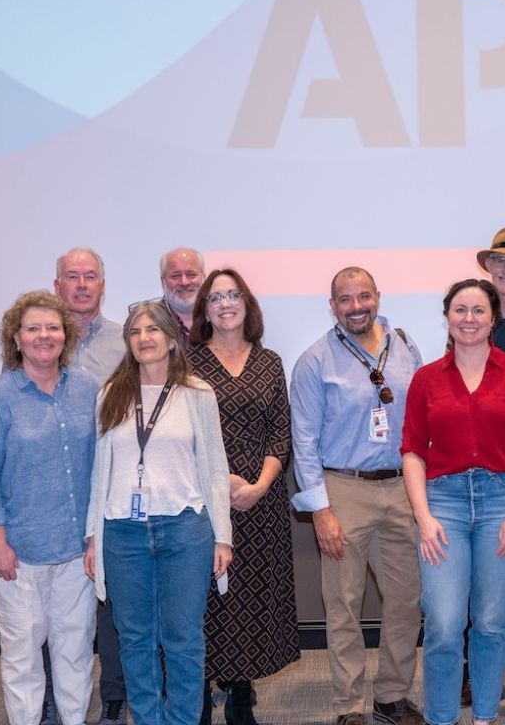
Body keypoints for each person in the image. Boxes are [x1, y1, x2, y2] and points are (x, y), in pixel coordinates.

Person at [401, 278, 505, 725]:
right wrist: (423, 519)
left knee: (490, 621)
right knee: (444, 623)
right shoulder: (427, 379)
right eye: (460, 310)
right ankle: (442, 718)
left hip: (503, 502)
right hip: (442, 504)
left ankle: (485, 716)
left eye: (478, 311)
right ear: (447, 317)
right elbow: (411, 451)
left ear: (493, 318)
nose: (469, 319)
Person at [84, 300, 232, 725]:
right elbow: (100, 473)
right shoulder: (111, 394)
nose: (144, 338)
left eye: (153, 330)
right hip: (123, 532)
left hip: (185, 529)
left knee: (183, 639)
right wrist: (94, 537)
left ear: (171, 339)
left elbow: (215, 467)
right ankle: (148, 719)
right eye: (135, 332)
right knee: (134, 639)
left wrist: (223, 535)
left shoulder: (198, 394)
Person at [291, 267, 425, 725]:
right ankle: (348, 706)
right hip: (343, 489)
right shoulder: (315, 360)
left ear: (378, 297)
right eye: (345, 299)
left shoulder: (405, 347)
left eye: (363, 296)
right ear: (332, 306)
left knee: (406, 601)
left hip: (403, 488)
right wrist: (321, 512)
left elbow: (422, 422)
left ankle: (391, 697)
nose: (355, 306)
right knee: (344, 605)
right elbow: (303, 441)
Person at [0, 290, 98, 725]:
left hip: (77, 552)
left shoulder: (87, 391)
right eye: (33, 328)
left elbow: (102, 466)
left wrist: (96, 538)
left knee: (75, 652)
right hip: (17, 554)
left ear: (66, 335)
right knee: (22, 657)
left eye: (53, 327)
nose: (45, 335)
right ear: (16, 338)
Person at [188, 268, 300, 725]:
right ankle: (196, 695)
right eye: (216, 297)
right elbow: (183, 434)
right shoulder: (187, 363)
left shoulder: (269, 361)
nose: (226, 303)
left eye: (234, 295)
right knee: (202, 598)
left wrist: (259, 485)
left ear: (247, 304)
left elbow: (281, 430)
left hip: (260, 502)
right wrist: (223, 481)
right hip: (203, 502)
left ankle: (239, 694)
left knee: (250, 597)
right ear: (205, 311)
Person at [53, 246, 127, 725]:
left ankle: (114, 695)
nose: (82, 285)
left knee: (112, 598)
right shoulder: (37, 340)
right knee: (54, 601)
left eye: (91, 276)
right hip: (53, 492)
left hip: (112, 487)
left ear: (103, 284)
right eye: (72, 277)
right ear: (57, 285)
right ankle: (52, 700)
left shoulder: (127, 343)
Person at [160, 247, 206, 348]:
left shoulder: (220, 318)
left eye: (191, 275)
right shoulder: (147, 322)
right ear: (162, 281)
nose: (184, 282)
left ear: (204, 278)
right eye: (176, 276)